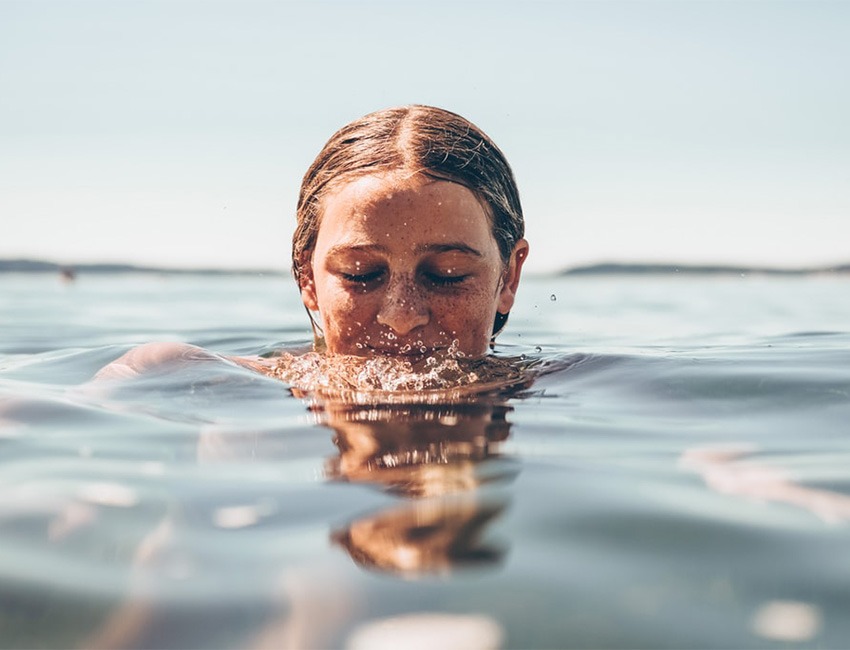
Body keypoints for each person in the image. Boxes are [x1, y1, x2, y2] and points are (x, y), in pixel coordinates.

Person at [96, 105, 529, 382]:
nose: (401, 315)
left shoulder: (568, 388)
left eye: (446, 274)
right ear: (308, 278)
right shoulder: (190, 376)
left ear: (508, 277)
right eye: (361, 274)